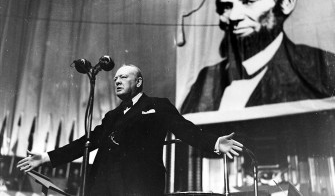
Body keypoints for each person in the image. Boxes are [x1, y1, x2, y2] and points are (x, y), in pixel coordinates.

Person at [17, 64, 243, 196]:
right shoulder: (112, 116)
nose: (117, 81)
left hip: (138, 187)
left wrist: (214, 143)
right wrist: (46, 157)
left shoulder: (157, 105)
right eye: (115, 78)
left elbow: (185, 130)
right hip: (104, 187)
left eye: (123, 77)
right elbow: (86, 142)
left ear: (138, 82)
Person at [181, 0, 335, 114]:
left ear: (287, 1)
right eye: (226, 7)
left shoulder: (318, 67)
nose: (234, 16)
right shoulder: (206, 80)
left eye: (249, 1)